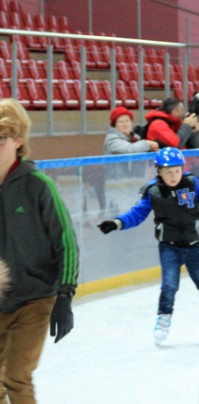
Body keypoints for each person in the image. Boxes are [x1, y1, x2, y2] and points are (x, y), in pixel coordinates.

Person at [97, 147, 199, 344]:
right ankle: (163, 320)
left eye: (177, 170)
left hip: (195, 245)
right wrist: (117, 223)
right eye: (168, 171)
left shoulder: (191, 184)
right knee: (169, 286)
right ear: (158, 170)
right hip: (169, 248)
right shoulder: (153, 191)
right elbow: (137, 214)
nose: (173, 175)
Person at [0, 99, 78, 403]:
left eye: (0, 139)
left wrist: (65, 295)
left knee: (16, 377)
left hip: (35, 298)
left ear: (18, 141)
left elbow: (67, 241)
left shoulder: (38, 185)